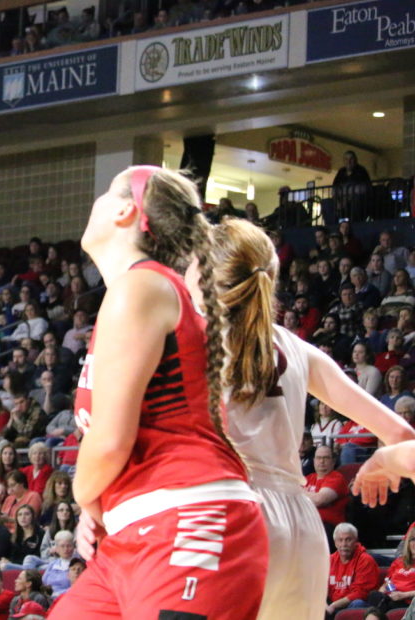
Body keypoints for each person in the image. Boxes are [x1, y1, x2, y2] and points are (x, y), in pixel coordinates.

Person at [51, 167, 268, 619]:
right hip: (138, 528)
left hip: (190, 515)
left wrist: (85, 496)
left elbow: (110, 442)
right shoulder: (141, 290)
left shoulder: (143, 287)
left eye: (104, 193)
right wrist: (103, 504)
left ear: (125, 210)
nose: (94, 202)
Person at [208, 218, 415, 620]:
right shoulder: (299, 348)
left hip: (235, 511)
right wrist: (386, 461)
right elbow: (401, 433)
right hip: (302, 524)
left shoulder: (194, 338)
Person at [327, 523, 381, 615]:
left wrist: (334, 605)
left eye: (348, 540)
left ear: (356, 541)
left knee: (357, 603)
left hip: (354, 604)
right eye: (340, 540)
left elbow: (360, 593)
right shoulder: (329, 560)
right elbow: (320, 589)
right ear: (335, 543)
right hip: (333, 604)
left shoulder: (365, 560)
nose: (344, 544)